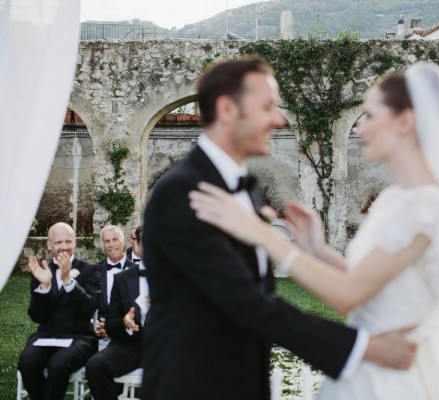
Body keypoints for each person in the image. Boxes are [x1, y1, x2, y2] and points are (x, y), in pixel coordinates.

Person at [190, 62, 439, 399]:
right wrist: (317, 250)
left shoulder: (426, 207)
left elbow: (348, 295)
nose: (360, 127)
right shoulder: (394, 199)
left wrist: (260, 232)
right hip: (368, 367)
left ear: (405, 122)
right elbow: (371, 286)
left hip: (395, 376)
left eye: (369, 115)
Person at [141, 58, 418, 400]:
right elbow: (243, 301)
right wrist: (362, 347)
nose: (277, 119)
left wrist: (310, 250)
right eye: (268, 106)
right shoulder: (183, 193)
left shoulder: (249, 190)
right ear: (228, 109)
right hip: (191, 384)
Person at [18, 222, 100, 400]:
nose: (64, 247)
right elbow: (36, 316)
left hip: (80, 337)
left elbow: (89, 308)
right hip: (46, 335)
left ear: (75, 242)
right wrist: (44, 286)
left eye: (68, 241)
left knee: (58, 365)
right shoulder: (41, 271)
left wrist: (68, 281)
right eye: (58, 242)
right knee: (27, 363)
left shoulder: (90, 270)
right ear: (49, 245)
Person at [86, 228, 148, 400]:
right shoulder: (123, 279)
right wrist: (124, 322)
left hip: (164, 344)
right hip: (131, 344)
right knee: (95, 366)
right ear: (137, 246)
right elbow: (111, 324)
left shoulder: (173, 278)